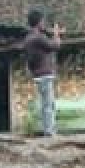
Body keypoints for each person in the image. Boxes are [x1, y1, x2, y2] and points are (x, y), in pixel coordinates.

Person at [24, 9, 61, 137]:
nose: (44, 24)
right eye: (43, 21)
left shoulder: (29, 38)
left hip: (38, 74)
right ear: (39, 22)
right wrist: (56, 34)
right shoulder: (38, 37)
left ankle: (49, 130)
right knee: (48, 104)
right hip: (44, 74)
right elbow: (55, 46)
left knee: (48, 104)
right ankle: (49, 132)